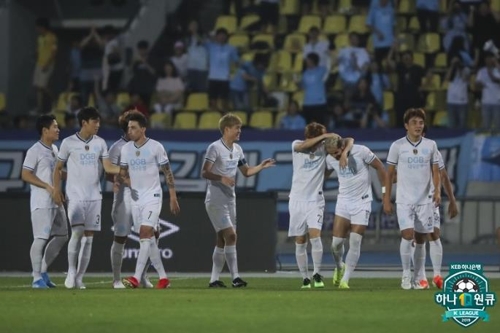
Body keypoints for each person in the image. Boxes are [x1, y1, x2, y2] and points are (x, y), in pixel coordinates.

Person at [201, 113, 275, 288]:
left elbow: (246, 172)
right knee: (231, 235)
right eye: (237, 128)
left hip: (230, 200)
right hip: (215, 200)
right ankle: (235, 277)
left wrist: (261, 167)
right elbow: (205, 172)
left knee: (222, 239)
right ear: (227, 129)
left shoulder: (238, 149)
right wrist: (222, 178)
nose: (239, 131)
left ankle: (214, 280)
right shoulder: (214, 148)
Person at [52, 107, 120, 289]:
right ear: (84, 123)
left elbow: (107, 167)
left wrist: (125, 169)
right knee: (77, 232)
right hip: (75, 196)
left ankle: (80, 277)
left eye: (98, 122)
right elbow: (58, 168)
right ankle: (71, 271)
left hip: (94, 196)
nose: (98, 125)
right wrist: (56, 190)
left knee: (89, 238)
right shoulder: (68, 142)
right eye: (94, 122)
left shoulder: (100, 143)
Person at [288, 122, 353, 289]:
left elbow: (349, 140)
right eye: (320, 138)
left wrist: (344, 153)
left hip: (315, 200)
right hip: (296, 199)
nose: (323, 143)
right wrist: (324, 136)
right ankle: (305, 278)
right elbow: (304, 145)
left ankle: (316, 274)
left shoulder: (324, 148)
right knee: (300, 240)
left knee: (315, 236)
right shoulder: (297, 145)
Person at [383, 108, 441, 290]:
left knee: (422, 239)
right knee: (407, 235)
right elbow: (389, 174)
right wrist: (386, 197)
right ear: (406, 126)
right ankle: (406, 274)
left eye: (421, 123)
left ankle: (419, 277)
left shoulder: (430, 145)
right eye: (414, 122)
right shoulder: (397, 146)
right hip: (404, 200)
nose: (418, 126)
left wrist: (437, 191)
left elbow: (436, 171)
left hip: (425, 200)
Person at [121, 112, 181, 289]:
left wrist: (173, 196)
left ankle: (136, 277)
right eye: (128, 128)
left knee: (145, 232)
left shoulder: (156, 147)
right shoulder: (126, 149)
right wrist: (128, 183)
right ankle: (163, 278)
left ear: (143, 129)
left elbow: (167, 172)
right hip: (136, 199)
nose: (129, 131)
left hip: (153, 196)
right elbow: (123, 174)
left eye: (133, 127)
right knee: (150, 239)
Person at [325, 135, 387, 289]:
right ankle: (340, 266)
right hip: (344, 202)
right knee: (335, 244)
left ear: (342, 147)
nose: (334, 156)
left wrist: (385, 195)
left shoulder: (361, 151)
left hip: (362, 202)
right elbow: (323, 176)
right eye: (332, 154)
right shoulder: (330, 159)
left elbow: (380, 167)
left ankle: (345, 280)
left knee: (355, 241)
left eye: (337, 153)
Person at [107, 110, 153, 289]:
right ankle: (116, 279)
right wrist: (121, 179)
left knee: (150, 235)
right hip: (124, 197)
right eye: (132, 127)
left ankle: (142, 276)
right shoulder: (117, 148)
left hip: (145, 195)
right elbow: (108, 173)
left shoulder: (148, 146)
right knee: (120, 237)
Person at [22, 115, 69, 288]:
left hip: (56, 200)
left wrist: (75, 176)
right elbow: (25, 174)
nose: (58, 130)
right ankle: (36, 278)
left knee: (63, 236)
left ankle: (42, 270)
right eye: (55, 127)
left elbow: (56, 173)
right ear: (44, 130)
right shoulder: (35, 150)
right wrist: (48, 187)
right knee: (40, 238)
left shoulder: (55, 150)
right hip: (42, 201)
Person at [409, 125, 459, 289]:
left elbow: (443, 177)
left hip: (431, 199)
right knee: (419, 238)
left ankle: (437, 275)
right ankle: (421, 276)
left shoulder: (433, 151)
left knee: (435, 234)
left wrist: (452, 200)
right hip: (413, 200)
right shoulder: (404, 150)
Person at [33, 18, 57, 113]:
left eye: (39, 27)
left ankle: (55, 101)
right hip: (39, 64)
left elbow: (54, 52)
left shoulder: (52, 37)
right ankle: (39, 107)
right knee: (38, 87)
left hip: (47, 64)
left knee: (43, 86)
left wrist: (47, 64)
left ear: (43, 27)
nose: (37, 29)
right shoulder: (40, 38)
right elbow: (39, 50)